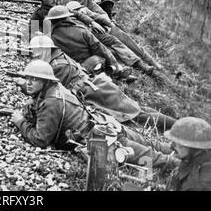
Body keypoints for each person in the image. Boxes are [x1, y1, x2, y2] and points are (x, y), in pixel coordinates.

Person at [11, 60, 179, 169]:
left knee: (154, 157)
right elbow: (36, 105)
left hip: (100, 139)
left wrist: (20, 122)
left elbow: (40, 139)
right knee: (151, 144)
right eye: (28, 79)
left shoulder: (50, 102)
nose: (29, 83)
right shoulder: (55, 89)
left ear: (45, 81)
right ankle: (179, 152)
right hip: (103, 123)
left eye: (34, 79)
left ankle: (183, 164)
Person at [27, 35, 176, 131]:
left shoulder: (57, 66)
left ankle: (176, 126)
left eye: (37, 51)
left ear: (46, 49)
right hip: (96, 87)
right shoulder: (57, 57)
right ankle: (176, 124)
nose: (35, 55)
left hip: (94, 93)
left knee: (135, 115)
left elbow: (47, 91)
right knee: (137, 110)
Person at [47, 5, 154, 76]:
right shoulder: (40, 18)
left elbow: (79, 14)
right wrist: (114, 65)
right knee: (105, 55)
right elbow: (99, 49)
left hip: (72, 64)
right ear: (66, 18)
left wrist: (92, 23)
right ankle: (118, 71)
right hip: (87, 59)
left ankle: (139, 65)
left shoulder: (51, 34)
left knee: (113, 42)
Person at [66, 1, 162, 69]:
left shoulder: (85, 11)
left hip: (104, 33)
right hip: (92, 42)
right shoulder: (72, 21)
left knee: (121, 36)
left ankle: (147, 60)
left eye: (80, 9)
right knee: (113, 46)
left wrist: (108, 23)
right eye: (77, 10)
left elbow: (99, 17)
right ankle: (134, 65)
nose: (80, 11)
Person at [165, 117, 211, 191]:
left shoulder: (198, 183)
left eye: (176, 144)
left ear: (193, 147)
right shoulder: (196, 159)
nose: (171, 147)